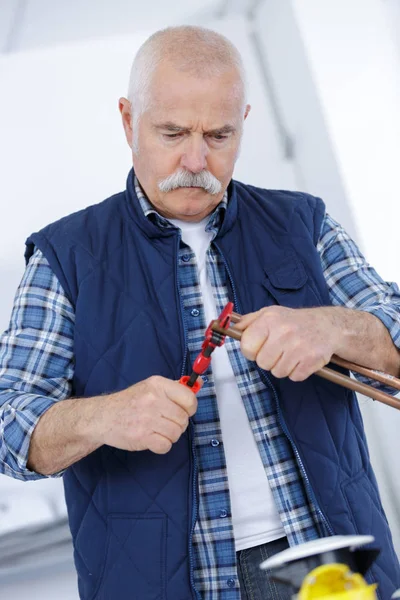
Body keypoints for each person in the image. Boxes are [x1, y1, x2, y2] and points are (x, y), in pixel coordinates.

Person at [0, 25, 399, 600]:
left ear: (245, 121)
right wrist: (104, 417)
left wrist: (333, 327)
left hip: (329, 562)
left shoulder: (304, 224)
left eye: (219, 134)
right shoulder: (65, 257)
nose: (196, 159)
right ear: (127, 121)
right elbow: (8, 423)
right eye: (172, 132)